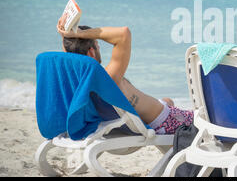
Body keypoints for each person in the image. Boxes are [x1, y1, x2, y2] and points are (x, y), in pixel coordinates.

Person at [56, 15, 193, 135]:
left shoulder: (78, 82)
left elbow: (69, 54)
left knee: (167, 101)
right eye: (98, 45)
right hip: (167, 122)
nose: (99, 48)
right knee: (208, 118)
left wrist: (67, 35)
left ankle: (166, 103)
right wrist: (82, 33)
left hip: (151, 115)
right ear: (91, 52)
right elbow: (123, 34)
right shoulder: (108, 78)